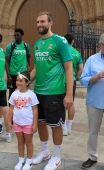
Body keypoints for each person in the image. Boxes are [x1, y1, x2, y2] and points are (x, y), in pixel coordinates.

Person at [30, 11, 73, 170]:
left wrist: (69, 94)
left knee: (55, 125)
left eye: (42, 21)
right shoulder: (36, 44)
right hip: (38, 92)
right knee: (41, 123)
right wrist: (26, 81)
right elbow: (35, 68)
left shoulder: (59, 41)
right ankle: (45, 152)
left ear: (50, 22)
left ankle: (56, 156)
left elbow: (69, 68)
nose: (39, 25)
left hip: (55, 92)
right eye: (37, 22)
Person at [80, 33, 104, 169]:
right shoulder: (91, 60)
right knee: (93, 131)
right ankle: (92, 157)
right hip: (95, 101)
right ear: (100, 45)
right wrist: (96, 77)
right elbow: (83, 79)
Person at [8, 72, 39, 170]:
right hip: (17, 123)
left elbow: (35, 110)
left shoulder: (31, 95)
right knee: (20, 142)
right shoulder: (14, 94)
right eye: (17, 80)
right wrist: (9, 121)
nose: (18, 82)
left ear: (27, 82)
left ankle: (29, 161)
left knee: (28, 142)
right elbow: (11, 109)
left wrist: (35, 124)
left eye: (21, 81)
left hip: (28, 124)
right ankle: (21, 160)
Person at [62, 33, 83, 136]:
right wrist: (76, 76)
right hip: (73, 80)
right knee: (71, 103)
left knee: (61, 103)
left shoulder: (62, 51)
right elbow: (81, 69)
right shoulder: (77, 53)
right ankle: (69, 125)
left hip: (62, 80)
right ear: (73, 41)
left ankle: (63, 127)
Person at [5, 28, 31, 99]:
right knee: (12, 92)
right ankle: (11, 108)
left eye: (18, 35)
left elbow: (28, 57)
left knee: (22, 91)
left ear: (22, 35)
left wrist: (29, 66)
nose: (16, 37)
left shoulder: (26, 46)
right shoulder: (10, 46)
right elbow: (6, 61)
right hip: (13, 73)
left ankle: (20, 107)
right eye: (15, 35)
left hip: (23, 73)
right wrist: (8, 76)